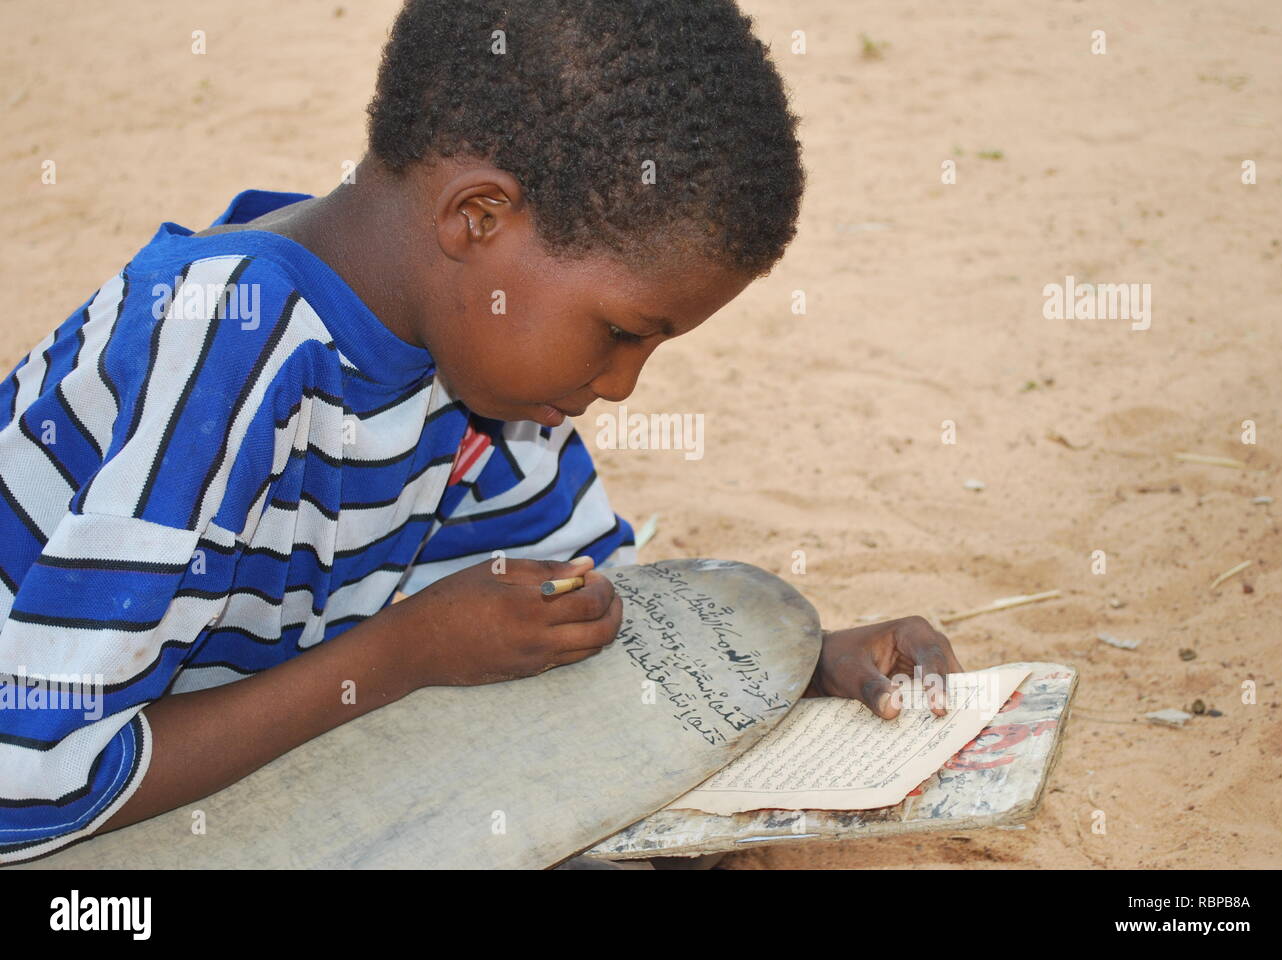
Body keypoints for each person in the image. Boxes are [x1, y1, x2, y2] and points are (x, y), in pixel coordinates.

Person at [0, 0, 961, 867]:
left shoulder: (489, 383)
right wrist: (399, 656)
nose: (620, 387)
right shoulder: (226, 344)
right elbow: (28, 779)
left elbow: (578, 608)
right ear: (479, 215)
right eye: (622, 334)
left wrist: (787, 663)